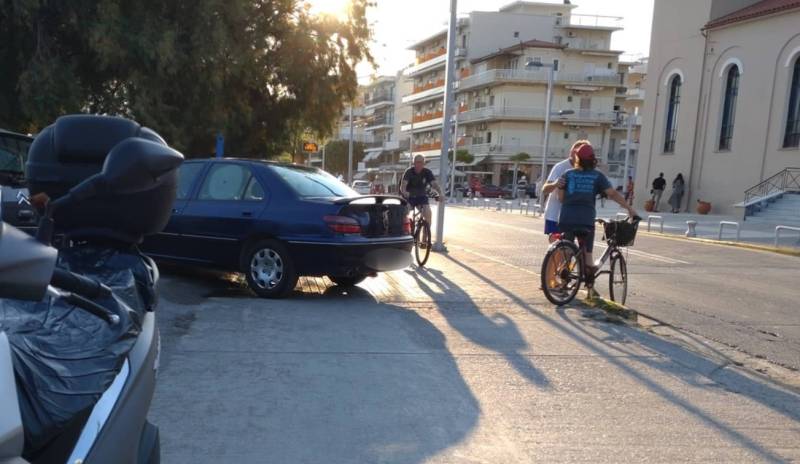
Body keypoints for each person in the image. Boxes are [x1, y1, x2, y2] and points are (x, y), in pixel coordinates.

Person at [557, 143, 638, 288]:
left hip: (566, 218)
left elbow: (561, 198)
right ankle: (590, 288)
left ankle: (563, 284)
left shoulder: (567, 174)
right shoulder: (597, 176)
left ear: (577, 158)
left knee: (568, 250)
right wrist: (629, 208)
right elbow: (612, 193)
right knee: (587, 252)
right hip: (585, 219)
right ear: (593, 159)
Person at [541, 140, 588, 241]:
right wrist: (555, 183)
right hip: (555, 214)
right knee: (556, 247)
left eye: (578, 152)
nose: (574, 155)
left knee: (570, 249)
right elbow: (544, 189)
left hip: (574, 216)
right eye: (573, 151)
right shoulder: (560, 167)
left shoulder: (586, 169)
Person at [400, 155, 444, 242]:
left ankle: (425, 237)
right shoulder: (409, 172)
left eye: (421, 162)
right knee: (404, 212)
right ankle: (405, 231)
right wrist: (404, 192)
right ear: (414, 163)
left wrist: (440, 193)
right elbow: (403, 185)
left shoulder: (427, 172)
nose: (419, 164)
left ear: (424, 163)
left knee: (428, 214)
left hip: (422, 197)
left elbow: (434, 184)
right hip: (410, 197)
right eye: (417, 162)